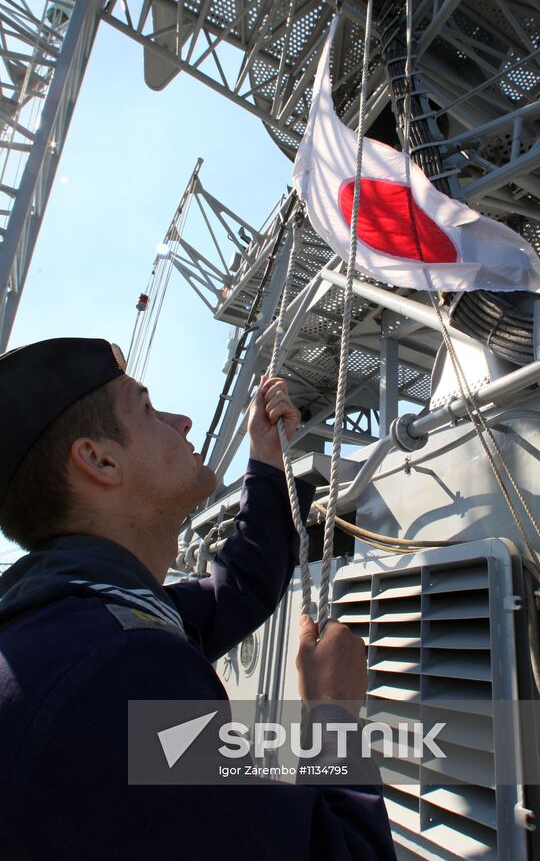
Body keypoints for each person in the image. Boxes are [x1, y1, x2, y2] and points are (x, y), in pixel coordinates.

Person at [0, 337, 396, 860]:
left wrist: (266, 460)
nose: (182, 420)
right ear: (99, 460)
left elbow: (236, 589)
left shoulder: (80, 617)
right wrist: (334, 717)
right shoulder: (119, 673)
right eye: (147, 409)